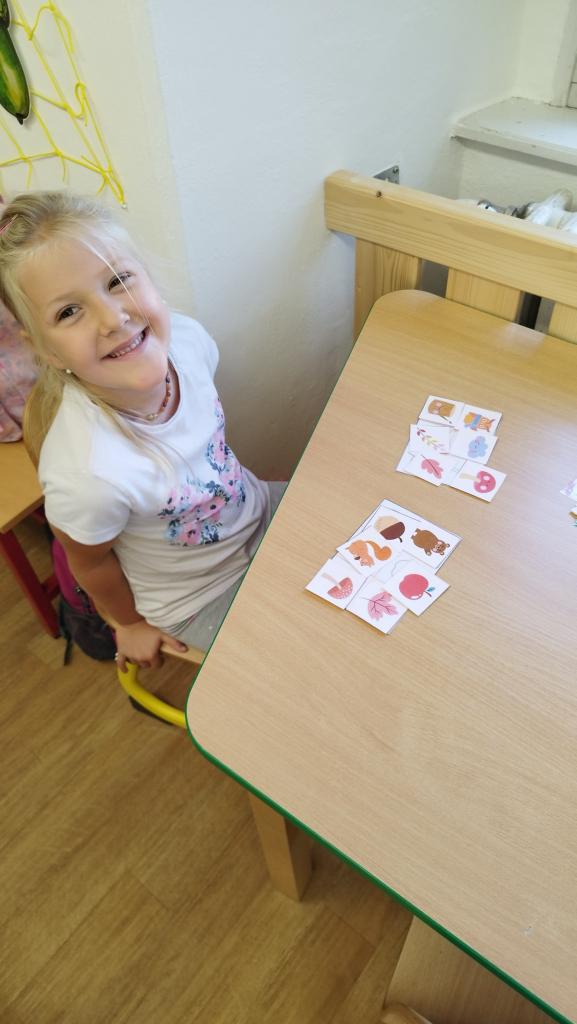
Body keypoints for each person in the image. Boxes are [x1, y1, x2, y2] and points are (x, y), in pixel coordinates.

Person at [0, 192, 285, 670]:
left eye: (118, 281)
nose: (113, 318)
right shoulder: (86, 473)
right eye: (69, 312)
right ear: (46, 350)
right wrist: (128, 623)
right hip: (199, 596)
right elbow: (89, 561)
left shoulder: (189, 343)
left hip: (258, 512)